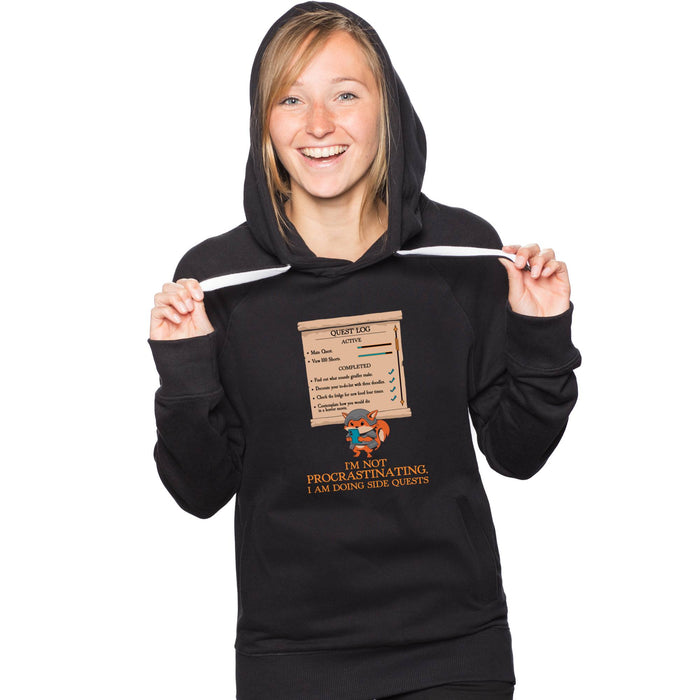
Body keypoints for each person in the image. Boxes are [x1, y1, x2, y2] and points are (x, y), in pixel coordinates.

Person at [147, 3, 581, 699]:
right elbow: (200, 492)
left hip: (453, 650)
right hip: (290, 658)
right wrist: (186, 376)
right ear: (264, 122)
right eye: (291, 99)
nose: (318, 125)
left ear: (389, 110)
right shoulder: (218, 280)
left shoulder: (462, 256)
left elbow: (518, 454)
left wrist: (540, 333)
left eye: (345, 95)